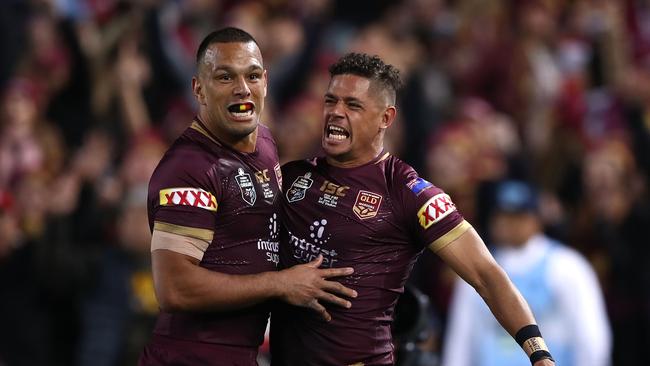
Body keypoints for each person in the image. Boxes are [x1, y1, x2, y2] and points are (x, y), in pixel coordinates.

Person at [270, 53, 555, 366]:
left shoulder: (409, 193)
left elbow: (487, 275)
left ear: (386, 118)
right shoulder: (293, 176)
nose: (336, 112)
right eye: (330, 101)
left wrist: (538, 353)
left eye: (352, 105)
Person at [138, 27, 357, 366]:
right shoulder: (188, 167)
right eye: (225, 77)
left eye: (252, 75)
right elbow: (174, 288)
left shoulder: (265, 143)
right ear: (199, 89)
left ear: (266, 82)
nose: (243, 89)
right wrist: (280, 284)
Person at [442, 180, 612, 366]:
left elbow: (590, 335)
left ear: (536, 219)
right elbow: (461, 338)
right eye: (503, 216)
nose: (509, 224)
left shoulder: (566, 266)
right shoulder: (476, 266)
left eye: (518, 216)